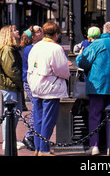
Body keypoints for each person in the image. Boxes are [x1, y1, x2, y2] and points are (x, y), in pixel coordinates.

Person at [76, 21, 110, 156]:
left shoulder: (97, 44)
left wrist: (80, 55)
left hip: (98, 85)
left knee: (95, 115)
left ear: (104, 31)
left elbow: (83, 63)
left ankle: (94, 146)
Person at [27, 20, 70, 156]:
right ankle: (44, 149)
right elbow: (61, 69)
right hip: (50, 88)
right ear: (56, 34)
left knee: (38, 119)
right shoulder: (55, 48)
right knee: (48, 120)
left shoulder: (36, 47)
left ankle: (38, 148)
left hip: (36, 85)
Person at [0, 25, 25, 151]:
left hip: (12, 85)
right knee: (10, 113)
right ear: (9, 34)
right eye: (15, 30)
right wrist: (20, 82)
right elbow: (11, 70)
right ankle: (7, 140)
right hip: (10, 85)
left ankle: (10, 138)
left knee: (15, 112)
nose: (18, 31)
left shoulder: (11, 49)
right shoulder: (7, 50)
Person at [20, 25, 43, 151]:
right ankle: (29, 136)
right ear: (33, 37)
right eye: (38, 31)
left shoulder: (37, 47)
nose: (41, 31)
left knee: (38, 108)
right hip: (30, 81)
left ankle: (35, 136)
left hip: (36, 80)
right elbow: (34, 65)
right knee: (36, 108)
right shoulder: (30, 49)